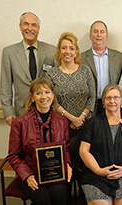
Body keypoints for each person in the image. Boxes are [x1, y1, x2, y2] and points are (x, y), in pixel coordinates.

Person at [7, 77, 72, 205]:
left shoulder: (62, 121)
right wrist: (27, 176)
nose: (43, 97)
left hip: (55, 173)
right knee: (42, 197)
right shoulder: (19, 123)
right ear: (32, 97)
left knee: (59, 194)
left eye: (47, 92)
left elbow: (67, 148)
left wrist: (68, 165)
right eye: (38, 93)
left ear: (53, 95)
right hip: (30, 174)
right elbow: (13, 156)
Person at [79, 84, 122, 205]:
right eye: (108, 98)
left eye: (116, 97)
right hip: (97, 178)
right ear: (103, 101)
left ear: (121, 100)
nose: (112, 101)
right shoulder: (92, 123)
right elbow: (84, 151)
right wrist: (99, 171)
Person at [45, 32, 96, 170]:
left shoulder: (85, 70)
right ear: (59, 51)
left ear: (76, 52)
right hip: (61, 126)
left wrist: (81, 117)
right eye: (64, 48)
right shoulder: (51, 73)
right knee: (65, 164)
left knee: (84, 165)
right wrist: (72, 118)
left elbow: (92, 96)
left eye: (71, 48)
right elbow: (52, 101)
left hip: (85, 125)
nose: (68, 51)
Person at [0, 12, 56, 126]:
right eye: (26, 24)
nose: (30, 28)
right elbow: (5, 85)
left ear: (38, 29)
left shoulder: (52, 51)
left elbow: (57, 83)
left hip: (47, 111)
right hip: (21, 112)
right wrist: (8, 112)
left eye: (34, 25)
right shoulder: (9, 53)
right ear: (20, 26)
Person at [81, 20, 122, 115]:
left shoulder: (120, 58)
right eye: (95, 31)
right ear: (90, 36)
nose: (98, 35)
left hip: (113, 104)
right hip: (90, 106)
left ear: (106, 36)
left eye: (102, 32)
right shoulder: (80, 58)